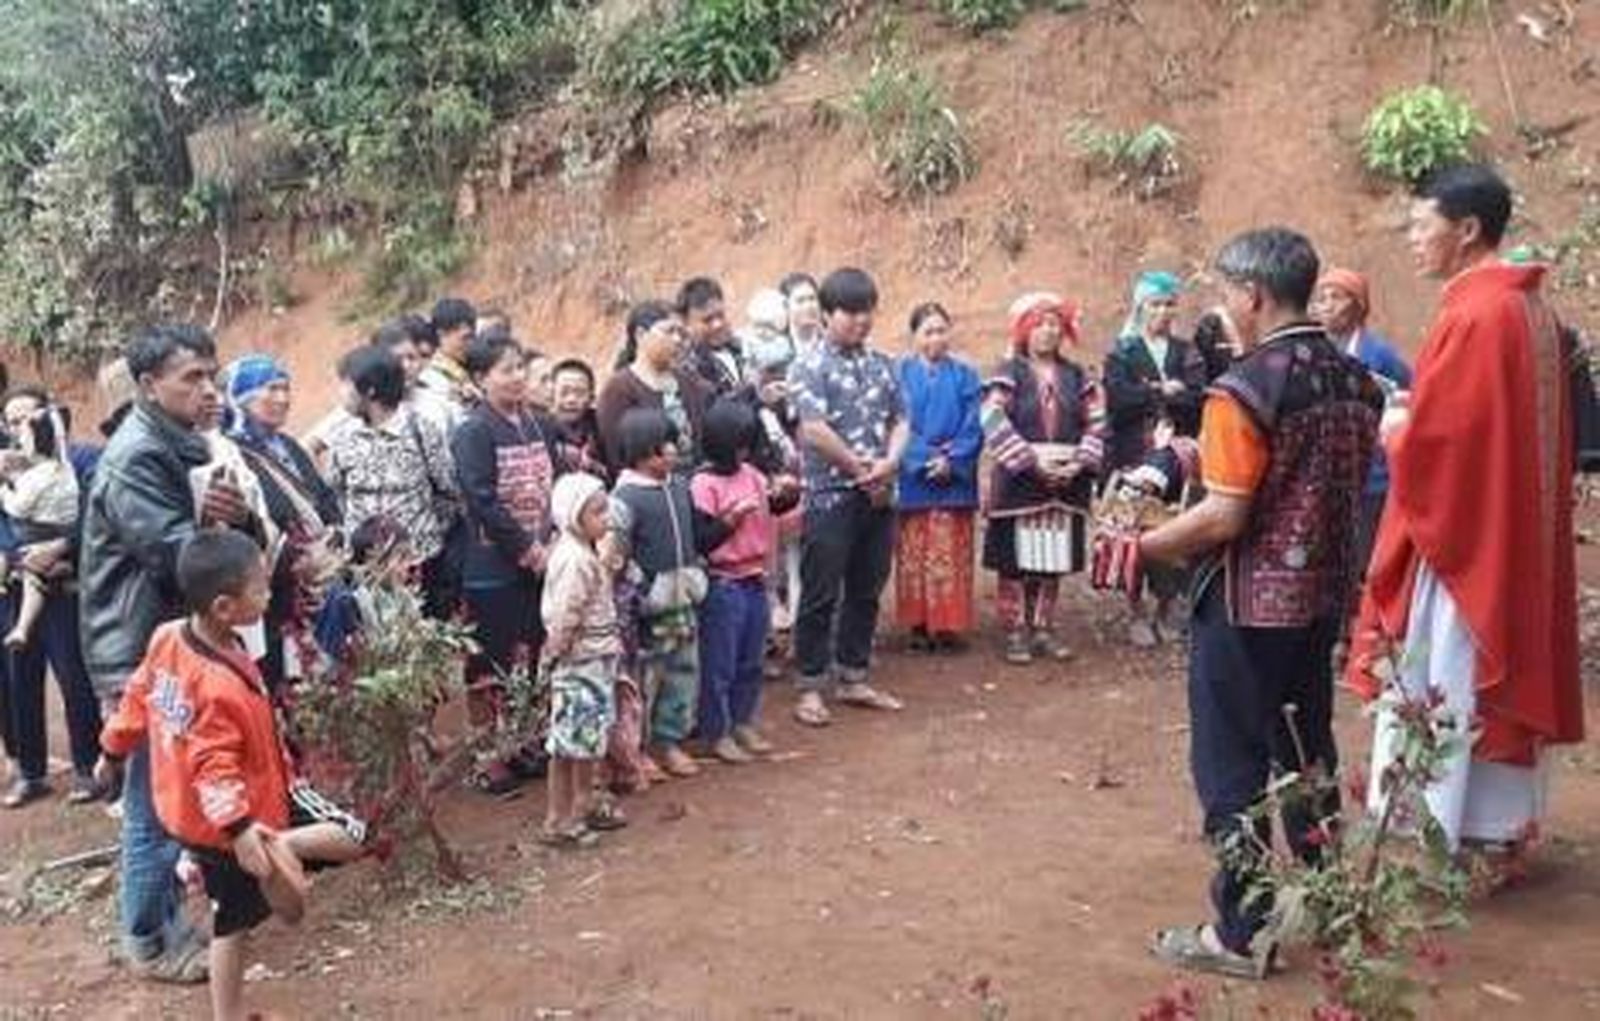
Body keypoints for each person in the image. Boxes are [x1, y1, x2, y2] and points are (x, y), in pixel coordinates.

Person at [1134, 228, 1381, 978]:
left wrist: (1144, 546)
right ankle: (1332, 902)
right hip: (1318, 601)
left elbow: (1224, 512)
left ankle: (1240, 931)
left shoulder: (1245, 385)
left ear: (1253, 295)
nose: (1218, 305)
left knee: (1231, 766)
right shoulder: (1353, 379)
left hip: (1243, 606)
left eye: (1222, 291)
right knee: (1307, 754)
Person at [1349, 165, 1584, 856]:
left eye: (1424, 225)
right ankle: (1493, 823)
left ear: (1469, 229)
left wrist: (1394, 425)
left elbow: (1443, 442)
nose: (1415, 240)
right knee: (1481, 669)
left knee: (1446, 667)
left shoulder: (1477, 312)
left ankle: (1431, 819)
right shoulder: (1530, 309)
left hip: (1463, 541)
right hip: (1508, 530)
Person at [96, 529, 367, 1021]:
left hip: (197, 819)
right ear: (224, 606)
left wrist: (112, 749)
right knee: (356, 835)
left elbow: (138, 696)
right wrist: (244, 830)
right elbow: (213, 764)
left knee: (230, 926)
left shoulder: (167, 639)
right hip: (243, 815)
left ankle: (229, 1016)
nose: (268, 594)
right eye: (261, 588)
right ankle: (283, 844)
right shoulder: (216, 684)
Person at [81, 323, 261, 983]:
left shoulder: (173, 441)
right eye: (192, 377)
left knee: (166, 796)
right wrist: (219, 528)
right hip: (137, 651)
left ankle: (157, 918)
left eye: (211, 375)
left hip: (161, 642)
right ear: (149, 385)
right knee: (154, 802)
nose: (207, 388)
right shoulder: (137, 455)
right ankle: (149, 938)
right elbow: (175, 555)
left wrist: (224, 518)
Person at [786, 267, 906, 727]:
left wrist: (890, 464)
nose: (861, 320)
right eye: (851, 312)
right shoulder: (808, 365)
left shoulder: (883, 363)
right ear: (827, 314)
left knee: (867, 587)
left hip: (879, 494)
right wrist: (861, 470)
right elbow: (813, 429)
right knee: (820, 591)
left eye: (867, 311)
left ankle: (854, 676)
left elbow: (901, 419)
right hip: (831, 496)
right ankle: (811, 685)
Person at [452, 328, 566, 794]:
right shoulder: (474, 431)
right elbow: (482, 500)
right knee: (489, 663)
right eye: (506, 370)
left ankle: (523, 743)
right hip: (492, 566)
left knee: (533, 655)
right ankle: (487, 757)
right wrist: (527, 548)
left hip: (540, 560)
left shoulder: (538, 423)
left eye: (521, 368)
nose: (517, 378)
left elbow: (554, 482)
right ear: (481, 378)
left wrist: (551, 539)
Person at [980, 292, 1106, 665]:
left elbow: (1098, 424)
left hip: (1067, 480)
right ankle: (1016, 630)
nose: (1048, 332)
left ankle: (1044, 628)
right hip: (1022, 478)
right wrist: (1031, 461)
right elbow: (992, 418)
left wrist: (1079, 462)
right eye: (1040, 324)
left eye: (1054, 324)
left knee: (1052, 558)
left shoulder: (1078, 376)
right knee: (1016, 560)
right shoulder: (1007, 373)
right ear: (1024, 331)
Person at [611, 408, 729, 777]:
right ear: (642, 452)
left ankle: (670, 740)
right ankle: (640, 747)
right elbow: (618, 553)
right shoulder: (625, 497)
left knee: (683, 670)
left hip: (683, 598)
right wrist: (641, 590)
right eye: (666, 447)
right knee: (646, 676)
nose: (674, 453)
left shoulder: (679, 486)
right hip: (650, 607)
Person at [0, 392, 102, 807]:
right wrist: (12, 556)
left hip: (67, 585)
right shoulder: (8, 468)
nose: (18, 427)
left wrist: (65, 549)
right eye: (11, 421)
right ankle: (30, 770)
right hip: (17, 582)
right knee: (18, 678)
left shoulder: (83, 460)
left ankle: (89, 764)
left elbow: (99, 514)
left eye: (27, 418)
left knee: (73, 676)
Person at [222, 355, 343, 692]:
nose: (283, 398)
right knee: (294, 681)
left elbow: (322, 495)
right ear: (242, 398)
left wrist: (334, 533)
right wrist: (298, 557)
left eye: (286, 389)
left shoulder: (288, 445)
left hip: (324, 577)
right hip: (281, 589)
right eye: (271, 390)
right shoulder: (233, 455)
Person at [325, 346, 461, 621]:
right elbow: (339, 495)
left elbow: (448, 490)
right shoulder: (342, 437)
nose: (341, 394)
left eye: (347, 385)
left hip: (420, 567)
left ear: (370, 390)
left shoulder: (420, 429)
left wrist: (424, 533)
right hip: (365, 572)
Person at [691, 400, 780, 763]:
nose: (745, 451)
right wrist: (731, 519)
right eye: (740, 444)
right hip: (723, 581)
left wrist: (785, 494)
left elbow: (775, 507)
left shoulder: (752, 475)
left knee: (751, 659)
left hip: (754, 577)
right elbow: (704, 539)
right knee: (720, 663)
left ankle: (743, 720)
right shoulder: (703, 483)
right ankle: (717, 730)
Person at [1309, 267, 1413, 575]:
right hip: (1327, 472)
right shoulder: (1316, 351)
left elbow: (1409, 396)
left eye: (1336, 297)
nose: (1326, 305)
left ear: (1358, 305)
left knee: (1366, 560)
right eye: (1322, 298)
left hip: (1372, 475)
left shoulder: (1379, 355)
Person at [539, 472, 624, 846]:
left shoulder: (584, 552)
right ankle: (560, 819)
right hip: (579, 663)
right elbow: (567, 614)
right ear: (574, 516)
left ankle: (582, 804)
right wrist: (555, 653)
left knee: (583, 741)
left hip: (593, 659)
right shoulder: (576, 560)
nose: (607, 519)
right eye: (598, 512)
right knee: (568, 745)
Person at [894, 302, 982, 652]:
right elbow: (896, 423)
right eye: (928, 331)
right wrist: (923, 457)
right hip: (915, 476)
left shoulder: (966, 375)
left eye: (941, 330)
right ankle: (918, 624)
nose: (936, 338)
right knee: (916, 554)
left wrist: (952, 459)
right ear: (914, 336)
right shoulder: (899, 374)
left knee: (950, 552)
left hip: (954, 479)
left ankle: (947, 625)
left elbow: (975, 423)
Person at [1103, 270, 1208, 469]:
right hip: (1131, 449)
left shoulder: (1187, 351)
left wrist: (1145, 392)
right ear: (1140, 307)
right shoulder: (1122, 352)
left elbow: (1197, 397)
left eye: (1169, 304)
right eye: (1155, 304)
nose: (1163, 311)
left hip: (1180, 450)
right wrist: (1162, 389)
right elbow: (1118, 399)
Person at [597, 300, 711, 474]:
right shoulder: (619, 388)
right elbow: (615, 454)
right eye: (669, 331)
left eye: (681, 333)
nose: (678, 340)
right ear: (641, 335)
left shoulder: (690, 383)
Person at [0, 403, 79, 650]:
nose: (17, 437)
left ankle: (22, 627)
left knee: (32, 579)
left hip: (41, 543)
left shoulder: (42, 473)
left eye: (22, 428)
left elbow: (18, 507)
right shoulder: (63, 469)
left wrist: (4, 489)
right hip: (46, 544)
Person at [416, 296, 479, 426]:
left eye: (472, 337)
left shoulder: (468, 370)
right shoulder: (432, 379)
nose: (470, 344)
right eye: (464, 338)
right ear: (442, 334)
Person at [679, 276, 742, 397]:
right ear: (686, 323)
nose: (717, 325)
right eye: (707, 320)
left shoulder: (739, 348)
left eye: (720, 315)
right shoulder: (688, 366)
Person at [549, 357, 606, 477]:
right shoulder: (540, 430)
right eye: (564, 392)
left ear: (591, 398)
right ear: (552, 394)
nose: (571, 400)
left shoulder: (602, 427)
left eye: (580, 393)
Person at [739, 288, 794, 380]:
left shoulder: (784, 342)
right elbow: (748, 368)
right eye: (758, 326)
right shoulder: (749, 340)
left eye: (768, 326)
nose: (762, 331)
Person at [780, 272, 825, 354]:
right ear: (786, 306)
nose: (808, 306)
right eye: (800, 301)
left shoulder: (832, 342)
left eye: (812, 299)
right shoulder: (776, 346)